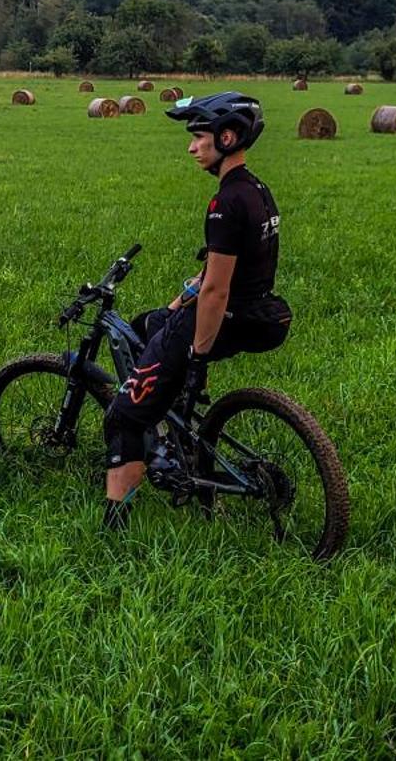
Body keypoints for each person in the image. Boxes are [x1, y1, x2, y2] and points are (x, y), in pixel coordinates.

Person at [103, 91, 291, 530]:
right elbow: (214, 272)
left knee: (124, 416)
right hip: (260, 313)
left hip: (223, 317)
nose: (191, 147)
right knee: (149, 323)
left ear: (226, 137)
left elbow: (215, 293)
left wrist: (197, 358)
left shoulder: (223, 204)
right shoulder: (256, 190)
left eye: (199, 137)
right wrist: (175, 305)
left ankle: (113, 529)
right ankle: (172, 428)